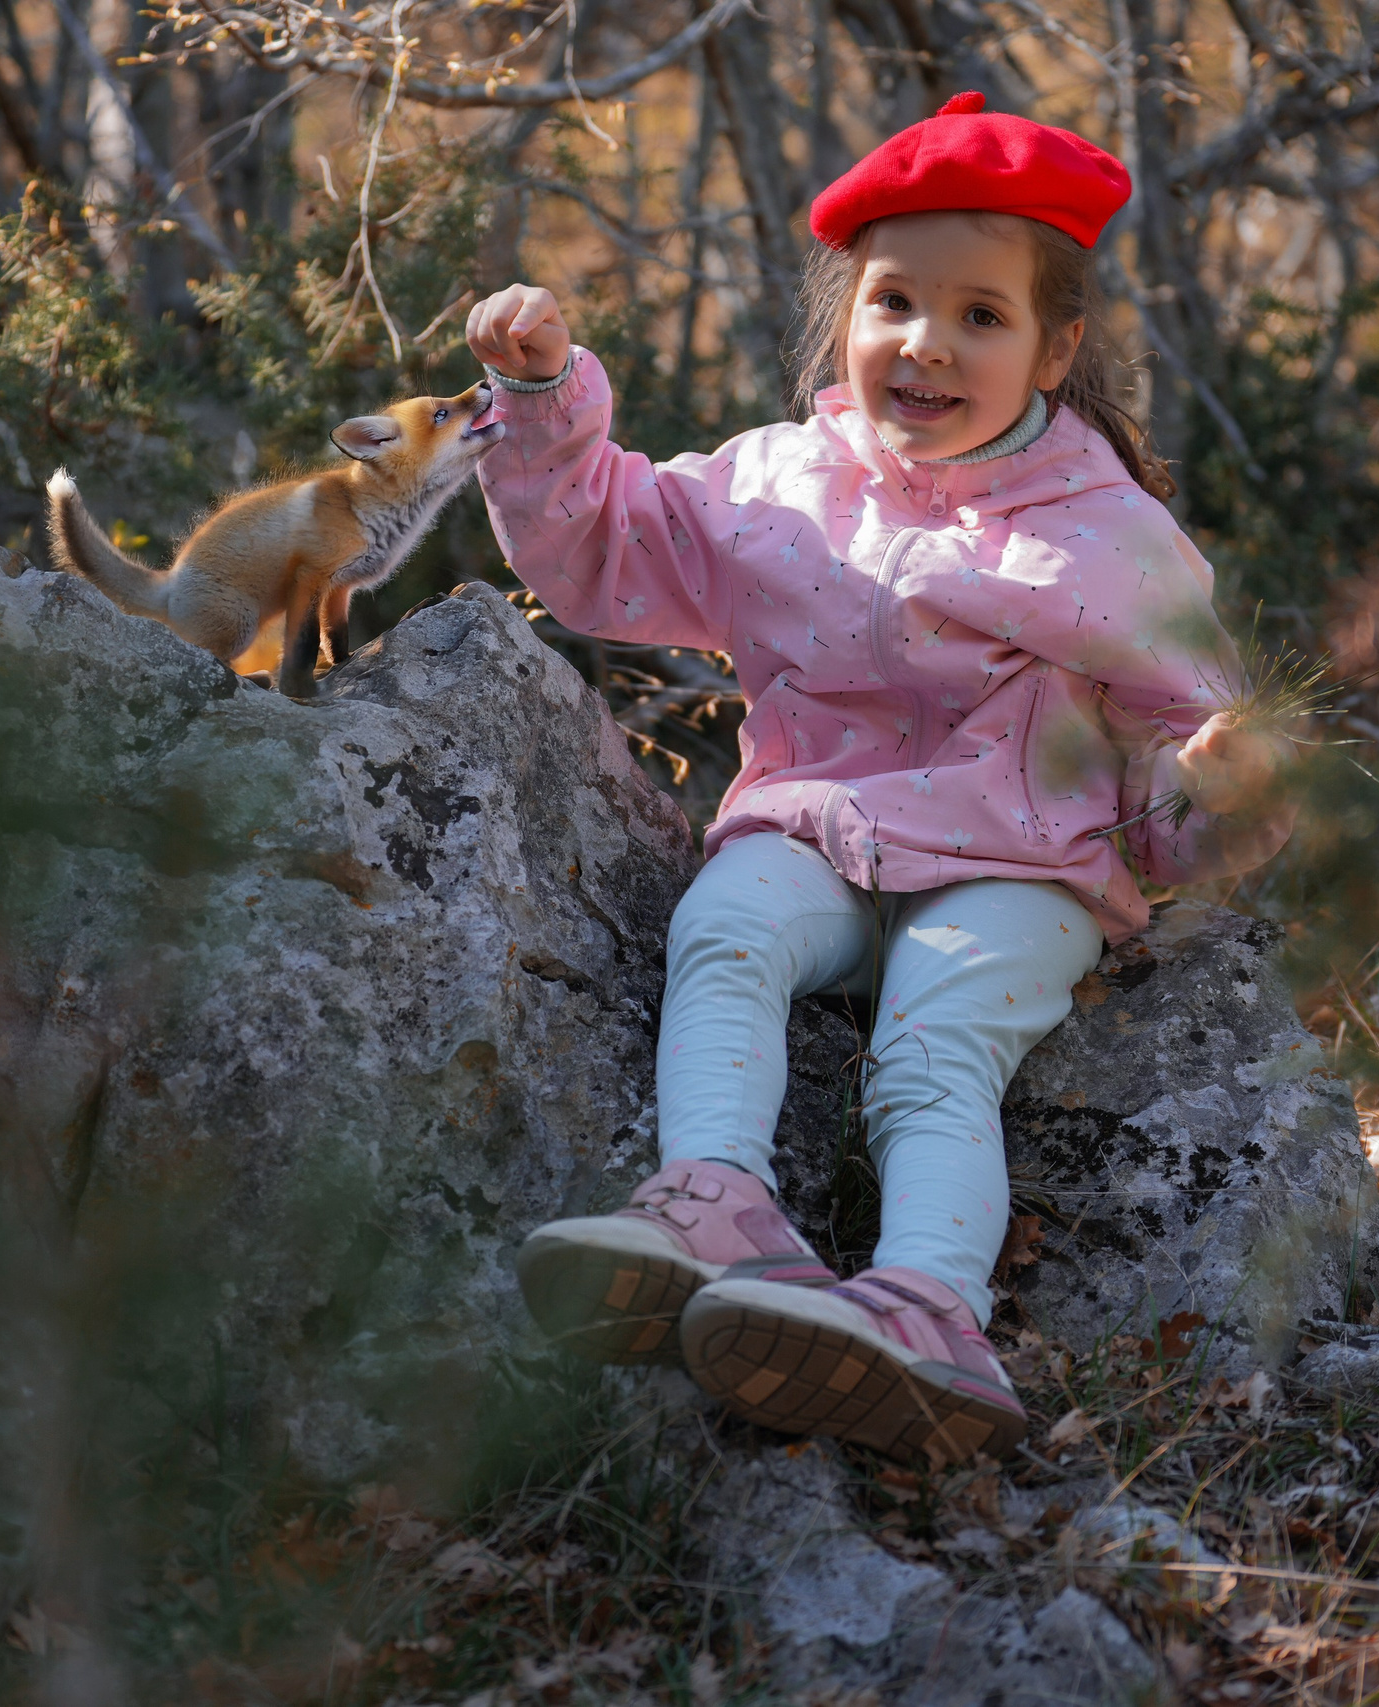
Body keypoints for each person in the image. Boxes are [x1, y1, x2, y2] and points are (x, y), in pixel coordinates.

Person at [465, 95, 1295, 1463]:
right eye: (896, 301)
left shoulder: (1110, 540)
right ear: (848, 312)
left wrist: (1222, 784)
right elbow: (604, 544)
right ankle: (716, 1201)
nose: (927, 342)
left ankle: (925, 1306)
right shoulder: (782, 483)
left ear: (1056, 348)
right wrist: (547, 397)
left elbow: (1166, 782)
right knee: (725, 929)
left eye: (982, 315)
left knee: (932, 1045)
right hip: (820, 826)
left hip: (1019, 866)